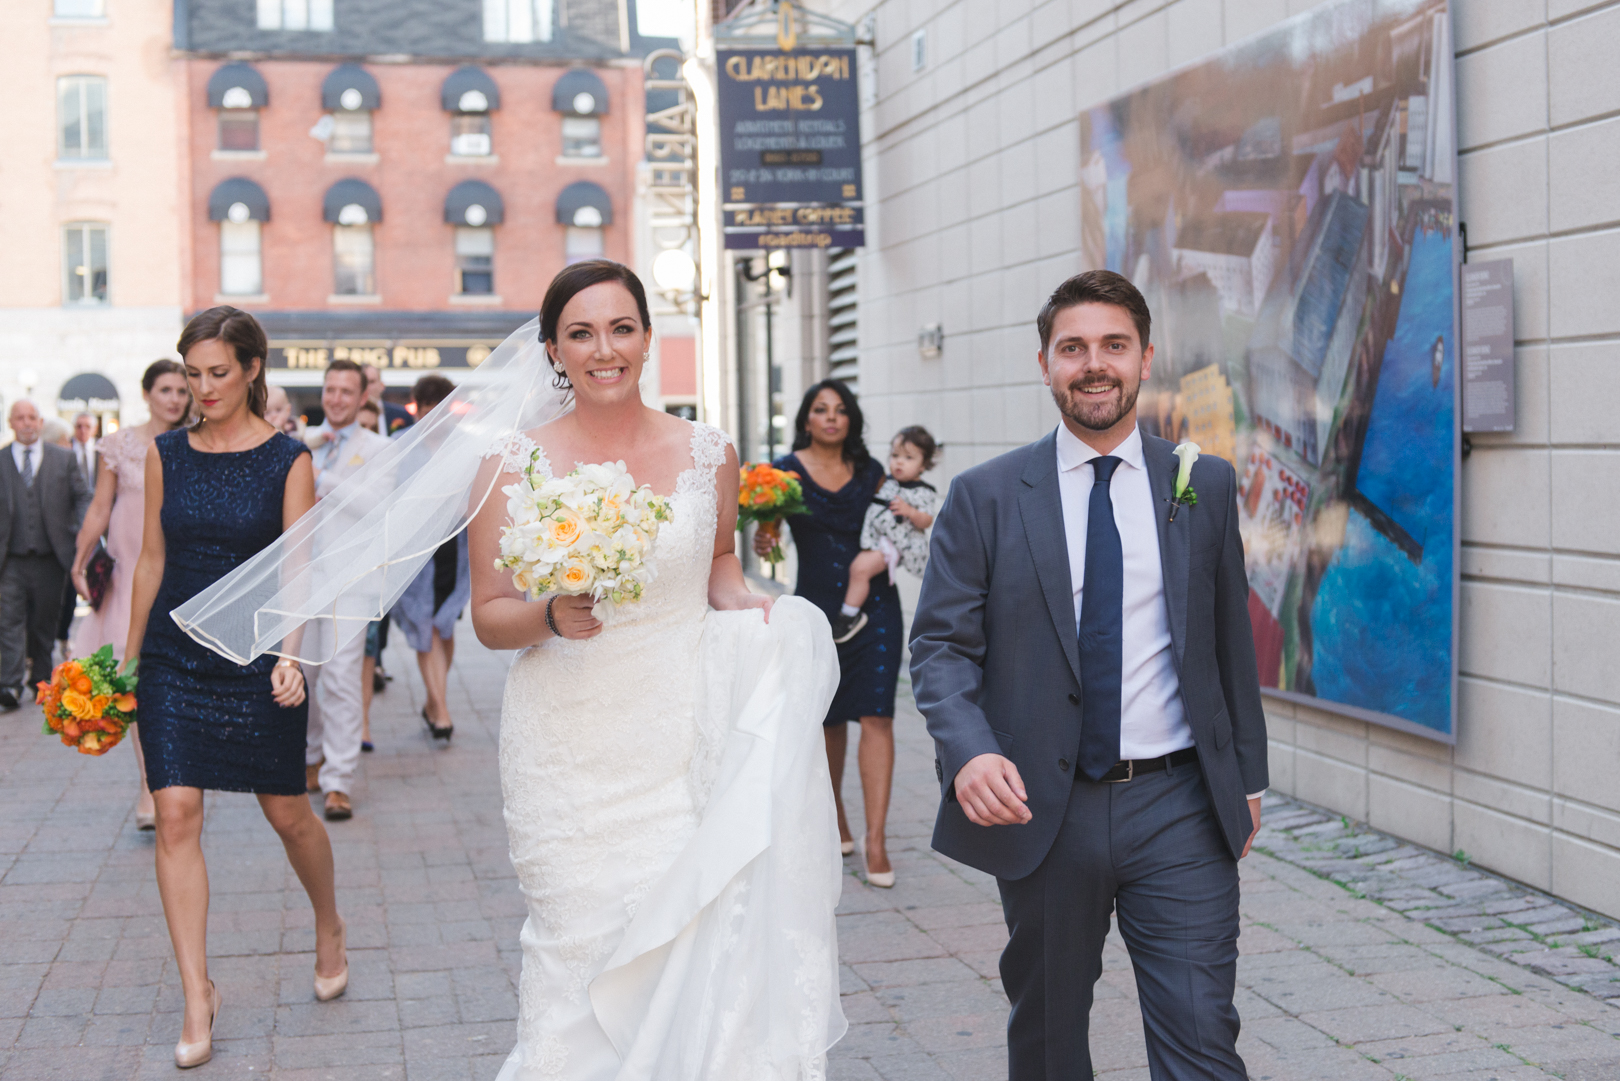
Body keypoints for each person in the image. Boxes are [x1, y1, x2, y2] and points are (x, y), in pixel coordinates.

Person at [909, 271, 1269, 1081]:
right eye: (1073, 348)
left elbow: (1226, 640)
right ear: (1044, 364)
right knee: (1048, 1035)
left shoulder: (1200, 483)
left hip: (1179, 804)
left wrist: (1247, 777)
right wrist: (968, 751)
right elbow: (939, 648)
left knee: (1203, 1034)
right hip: (1042, 806)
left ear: (1146, 358)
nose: (1093, 364)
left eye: (1113, 345)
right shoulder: (986, 497)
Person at [125, 306, 347, 1069]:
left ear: (253, 369)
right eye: (193, 373)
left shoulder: (290, 458)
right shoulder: (166, 453)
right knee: (175, 811)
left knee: (288, 814)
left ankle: (329, 923)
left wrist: (292, 654)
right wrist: (126, 663)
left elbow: (299, 565)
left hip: (257, 657)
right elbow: (151, 560)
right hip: (173, 657)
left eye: (218, 372)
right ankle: (197, 993)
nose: (204, 387)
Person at [757, 380, 902, 887]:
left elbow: (898, 528)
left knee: (877, 715)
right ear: (806, 419)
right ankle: (835, 815)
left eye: (841, 410)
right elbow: (767, 539)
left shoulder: (872, 472)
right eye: (821, 410)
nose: (832, 418)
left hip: (877, 605)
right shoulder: (783, 472)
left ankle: (876, 839)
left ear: (851, 420)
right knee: (828, 719)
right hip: (816, 608)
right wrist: (764, 533)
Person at [70, 359, 191, 830]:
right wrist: (80, 562)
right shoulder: (118, 445)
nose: (176, 399)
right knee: (136, 680)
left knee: (171, 679)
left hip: (178, 572)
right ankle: (148, 787)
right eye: (166, 389)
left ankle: (177, 781)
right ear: (147, 394)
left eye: (182, 390)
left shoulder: (193, 442)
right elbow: (101, 506)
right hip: (127, 575)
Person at [301, 360, 391, 821]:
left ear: (361, 398)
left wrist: (323, 479)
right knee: (306, 678)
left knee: (340, 679)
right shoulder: (301, 444)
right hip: (301, 581)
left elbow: (379, 507)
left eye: (345, 391)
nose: (336, 398)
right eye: (330, 389)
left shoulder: (379, 448)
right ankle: (312, 758)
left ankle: (339, 780)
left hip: (351, 582)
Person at [0, 400, 92, 709]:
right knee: (8, 621)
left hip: (52, 556)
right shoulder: (0, 460)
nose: (26, 423)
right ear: (11, 423)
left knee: (44, 623)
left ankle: (40, 681)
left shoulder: (63, 459)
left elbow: (83, 496)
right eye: (20, 418)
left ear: (40, 423)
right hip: (9, 558)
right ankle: (9, 686)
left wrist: (83, 529)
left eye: (32, 418)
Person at [389, 374, 464, 740]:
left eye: (441, 409)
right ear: (416, 409)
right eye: (427, 409)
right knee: (426, 628)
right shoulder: (400, 447)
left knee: (444, 627)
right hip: (417, 555)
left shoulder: (464, 447)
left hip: (455, 552)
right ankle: (442, 711)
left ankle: (435, 701)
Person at [831, 425, 941, 644]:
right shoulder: (887, 482)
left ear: (924, 465)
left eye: (908, 457)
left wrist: (910, 512)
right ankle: (850, 613)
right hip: (876, 538)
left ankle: (849, 616)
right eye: (895, 455)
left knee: (859, 569)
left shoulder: (922, 491)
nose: (899, 462)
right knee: (858, 570)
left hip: (894, 543)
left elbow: (927, 520)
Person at [360, 362, 412, 434]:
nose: (367, 387)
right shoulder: (348, 416)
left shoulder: (402, 415)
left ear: (382, 385)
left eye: (371, 382)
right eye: (363, 383)